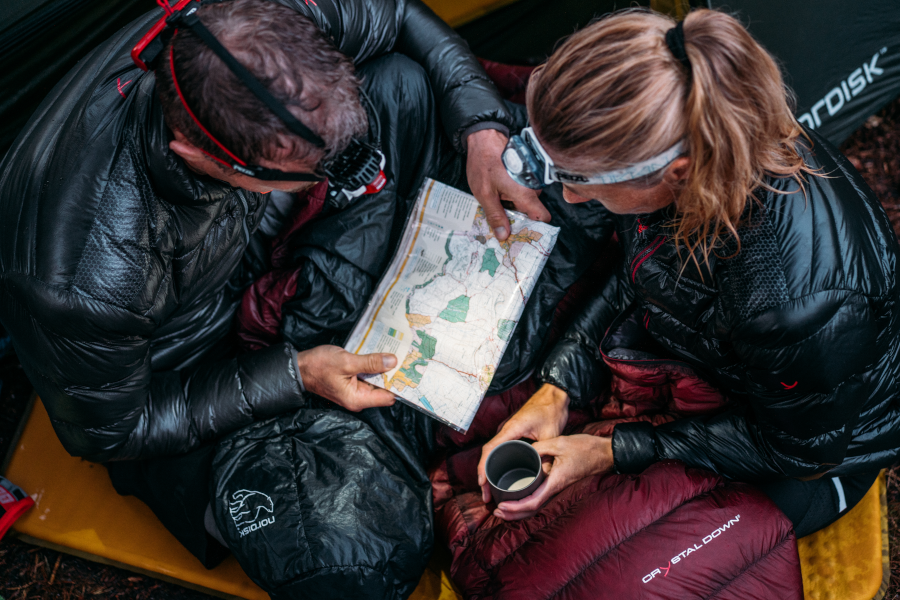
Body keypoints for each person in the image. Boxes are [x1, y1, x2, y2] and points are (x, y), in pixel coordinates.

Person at [0, 0, 547, 597]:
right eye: (321, 170)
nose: (356, 180)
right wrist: (294, 375)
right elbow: (113, 431)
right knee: (343, 558)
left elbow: (394, 15)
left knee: (403, 84)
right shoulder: (90, 281)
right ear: (203, 156)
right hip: (192, 354)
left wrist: (480, 128)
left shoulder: (264, 24)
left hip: (243, 237)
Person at [477, 8, 899, 538]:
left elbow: (797, 450)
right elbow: (645, 274)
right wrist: (559, 387)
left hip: (822, 453)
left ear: (676, 172)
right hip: (735, 368)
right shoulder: (705, 136)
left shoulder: (796, 306)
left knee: (624, 552)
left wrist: (610, 450)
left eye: (579, 178)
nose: (568, 195)